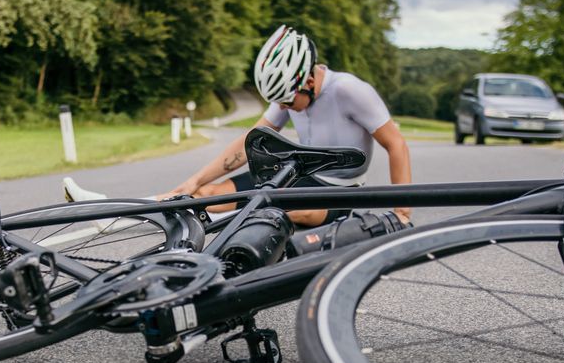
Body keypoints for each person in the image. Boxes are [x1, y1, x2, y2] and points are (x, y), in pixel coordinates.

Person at [64, 24, 412, 227]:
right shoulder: (290, 93)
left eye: (288, 102)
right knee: (201, 196)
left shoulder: (350, 91)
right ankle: (110, 213)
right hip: (298, 174)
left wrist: (402, 212)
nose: (286, 108)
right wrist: (196, 180)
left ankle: (216, 227)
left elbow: (396, 143)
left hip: (338, 188)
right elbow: (250, 142)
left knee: (288, 209)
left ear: (307, 80)